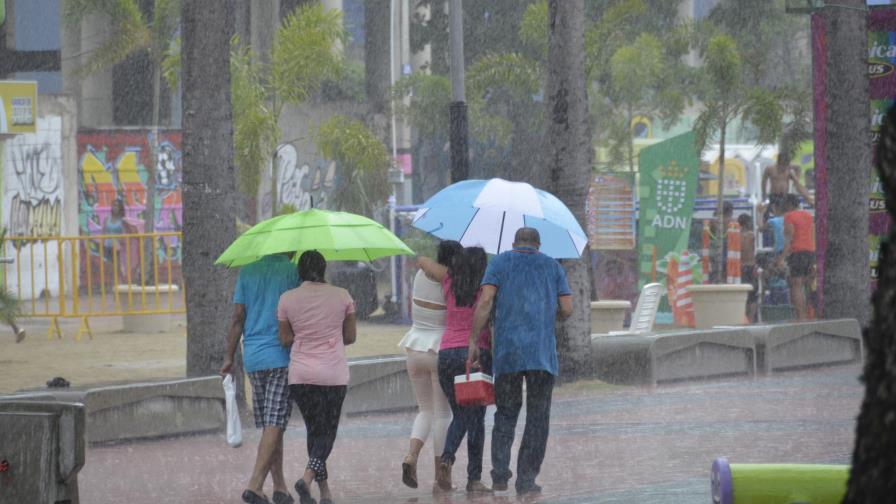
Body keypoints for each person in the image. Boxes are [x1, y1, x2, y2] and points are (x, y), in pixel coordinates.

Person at [466, 228, 573, 496]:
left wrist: (473, 341)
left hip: (508, 354)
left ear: (514, 242)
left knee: (506, 414)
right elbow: (567, 309)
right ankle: (526, 480)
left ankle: (500, 475)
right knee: (537, 418)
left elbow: (486, 300)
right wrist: (548, 314)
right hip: (541, 355)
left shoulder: (499, 262)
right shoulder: (552, 266)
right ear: (538, 244)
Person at [278, 250, 356, 504]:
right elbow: (350, 337)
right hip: (332, 375)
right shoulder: (342, 295)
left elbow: (286, 339)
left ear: (299, 271)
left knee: (315, 430)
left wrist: (306, 333)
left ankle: (323, 493)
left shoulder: (286, 299)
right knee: (327, 433)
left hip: (300, 376)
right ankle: (307, 477)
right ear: (323, 269)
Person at [221, 252, 300, 504]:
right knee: (275, 424)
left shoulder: (247, 271)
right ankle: (254, 484)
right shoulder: (291, 271)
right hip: (280, 355)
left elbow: (237, 318)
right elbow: (298, 314)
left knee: (270, 424)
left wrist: (229, 357)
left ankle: (279, 487)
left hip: (253, 358)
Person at [418, 246, 493, 494]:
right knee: (476, 419)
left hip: (447, 354)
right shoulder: (486, 288)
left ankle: (447, 461)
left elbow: (422, 260)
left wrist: (451, 267)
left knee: (460, 414)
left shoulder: (449, 280)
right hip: (473, 356)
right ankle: (472, 477)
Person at [397, 241, 461, 490]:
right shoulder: (452, 280)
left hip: (414, 346)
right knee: (443, 414)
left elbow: (424, 261)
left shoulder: (420, 275)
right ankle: (441, 476)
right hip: (438, 350)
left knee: (425, 410)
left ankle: (411, 456)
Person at [780, 194, 816, 320]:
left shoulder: (789, 216)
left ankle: (801, 317)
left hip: (797, 252)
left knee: (796, 285)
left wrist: (781, 258)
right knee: (808, 284)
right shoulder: (808, 215)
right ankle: (810, 314)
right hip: (810, 252)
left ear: (789, 204)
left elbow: (789, 238)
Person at [738, 214, 758, 322]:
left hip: (741, 267)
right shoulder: (751, 235)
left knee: (743, 295)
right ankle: (750, 318)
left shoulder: (737, 236)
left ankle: (744, 318)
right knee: (753, 296)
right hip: (750, 266)